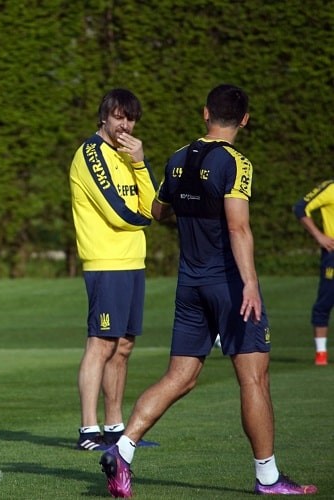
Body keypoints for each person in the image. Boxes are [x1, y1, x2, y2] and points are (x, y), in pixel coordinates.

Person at [100, 84, 317, 497]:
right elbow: (238, 227)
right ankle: (268, 478)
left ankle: (123, 448)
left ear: (205, 113)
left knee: (180, 377)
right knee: (254, 380)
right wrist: (250, 284)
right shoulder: (236, 163)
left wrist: (151, 173)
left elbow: (159, 211)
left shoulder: (178, 158)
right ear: (245, 120)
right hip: (229, 286)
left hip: (190, 285)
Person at [68, 88, 157, 451]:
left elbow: (152, 202)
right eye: (119, 117)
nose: (125, 125)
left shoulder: (128, 156)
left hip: (133, 260)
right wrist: (148, 218)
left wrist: (140, 164)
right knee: (101, 343)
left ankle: (115, 429)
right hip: (106, 262)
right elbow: (120, 212)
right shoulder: (90, 154)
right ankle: (88, 431)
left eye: (130, 119)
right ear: (103, 117)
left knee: (123, 346)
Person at [293, 180, 334, 366]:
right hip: (332, 256)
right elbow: (300, 207)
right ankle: (321, 353)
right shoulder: (330, 187)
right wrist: (319, 236)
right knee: (325, 302)